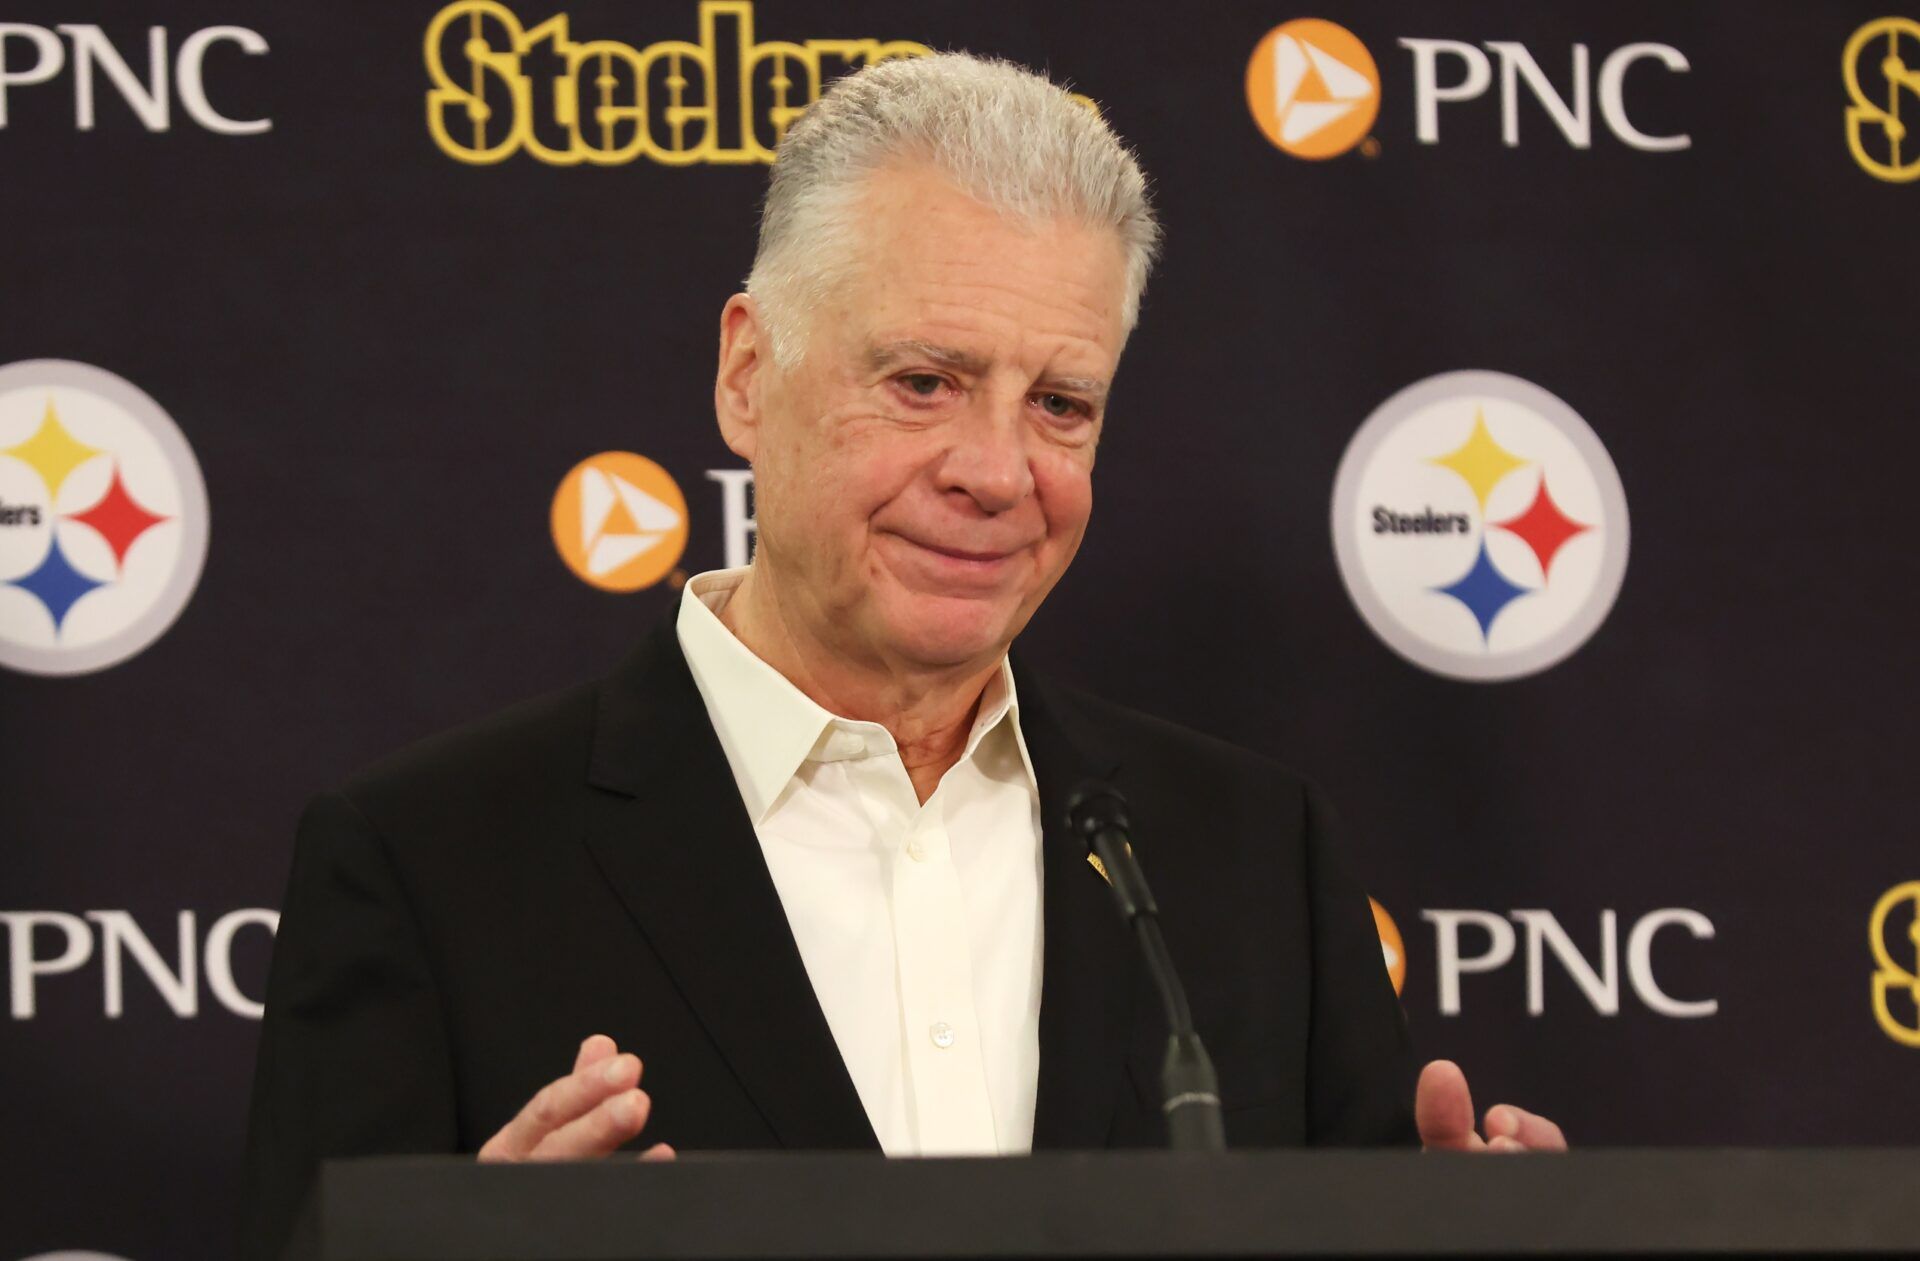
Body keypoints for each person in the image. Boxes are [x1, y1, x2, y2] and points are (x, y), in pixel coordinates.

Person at [240, 50, 1564, 1260]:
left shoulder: (1252, 856)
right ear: (747, 376)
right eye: (924, 382)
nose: (998, 471)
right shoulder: (427, 864)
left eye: (1060, 404)